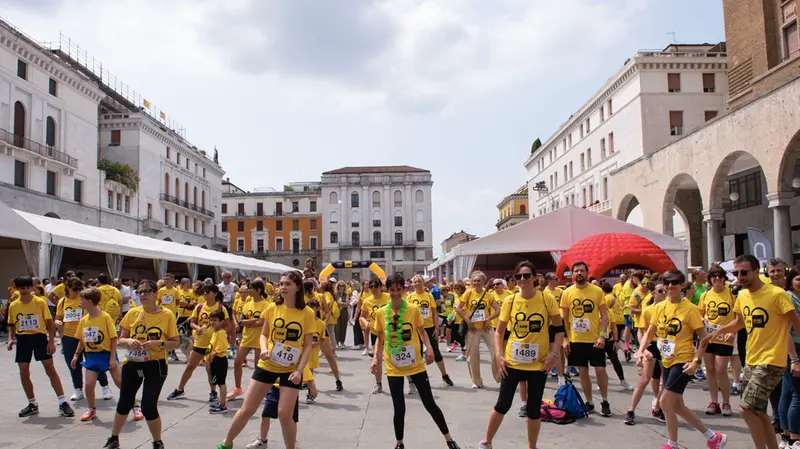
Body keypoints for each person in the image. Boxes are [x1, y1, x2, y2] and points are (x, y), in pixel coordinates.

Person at [706, 254, 800, 449]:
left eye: (744, 272)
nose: (740, 277)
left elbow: (797, 326)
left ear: (757, 271)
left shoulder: (777, 294)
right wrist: (720, 331)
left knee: (746, 409)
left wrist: (795, 359)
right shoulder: (742, 296)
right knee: (757, 411)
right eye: (736, 273)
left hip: (772, 360)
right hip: (752, 359)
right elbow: (740, 322)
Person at [218, 271, 314, 449]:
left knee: (285, 415)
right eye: (282, 284)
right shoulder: (272, 308)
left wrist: (300, 371)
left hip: (290, 369)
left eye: (288, 284)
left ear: (298, 287)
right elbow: (264, 335)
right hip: (267, 364)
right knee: (247, 409)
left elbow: (308, 345)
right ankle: (226, 443)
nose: (283, 287)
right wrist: (263, 349)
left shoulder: (307, 313)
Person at [372, 273, 462, 449]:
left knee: (430, 403)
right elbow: (380, 338)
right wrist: (376, 358)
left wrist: (429, 348)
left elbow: (422, 332)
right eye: (392, 290)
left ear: (404, 290)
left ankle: (449, 440)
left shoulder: (413, 309)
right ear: (387, 290)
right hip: (393, 366)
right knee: (399, 407)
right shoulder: (381, 313)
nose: (395, 293)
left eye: (399, 289)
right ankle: (399, 444)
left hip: (415, 364)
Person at [638, 270, 726, 449]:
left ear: (682, 285)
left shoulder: (690, 309)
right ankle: (712, 437)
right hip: (667, 360)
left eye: (675, 282)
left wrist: (696, 361)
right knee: (677, 405)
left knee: (664, 402)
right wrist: (640, 350)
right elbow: (650, 331)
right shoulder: (660, 307)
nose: (670, 286)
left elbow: (703, 338)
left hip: (684, 361)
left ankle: (672, 444)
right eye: (667, 283)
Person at [479, 261, 563, 449]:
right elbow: (500, 331)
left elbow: (559, 330)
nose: (522, 279)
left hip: (538, 364)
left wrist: (554, 355)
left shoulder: (546, 299)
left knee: (533, 410)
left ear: (535, 278)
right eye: (518, 276)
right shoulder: (510, 301)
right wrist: (498, 355)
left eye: (526, 275)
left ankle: (532, 446)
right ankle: (487, 442)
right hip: (512, 363)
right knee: (502, 405)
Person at [103, 279, 179, 449]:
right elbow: (121, 339)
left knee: (148, 405)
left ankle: (157, 441)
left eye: (147, 291)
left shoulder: (167, 315)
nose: (143, 295)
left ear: (156, 294)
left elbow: (175, 343)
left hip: (155, 363)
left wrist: (159, 343)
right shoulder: (132, 313)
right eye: (140, 292)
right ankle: (114, 438)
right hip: (133, 362)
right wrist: (129, 341)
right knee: (125, 401)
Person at [8, 276, 74, 418]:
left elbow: (50, 323)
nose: (25, 291)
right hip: (23, 339)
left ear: (31, 287)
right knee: (24, 372)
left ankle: (62, 402)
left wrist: (51, 341)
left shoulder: (40, 302)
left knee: (50, 369)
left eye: (28, 288)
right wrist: (10, 339)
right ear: (17, 289)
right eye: (22, 288)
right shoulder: (13, 305)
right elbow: (11, 324)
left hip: (39, 337)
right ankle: (32, 403)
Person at [560, 261, 612, 416]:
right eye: (576, 271)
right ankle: (589, 402)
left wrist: (602, 335)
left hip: (595, 339)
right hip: (576, 339)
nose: (579, 273)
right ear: (572, 274)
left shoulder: (597, 291)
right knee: (583, 372)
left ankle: (605, 400)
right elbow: (564, 319)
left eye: (581, 271)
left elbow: (604, 316)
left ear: (587, 273)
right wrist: (565, 339)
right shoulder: (567, 293)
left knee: (600, 370)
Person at [168, 284, 232, 402]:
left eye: (208, 292)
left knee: (210, 369)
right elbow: (192, 322)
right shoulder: (199, 307)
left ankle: (213, 392)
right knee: (190, 366)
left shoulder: (221, 308)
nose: (205, 294)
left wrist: (222, 336)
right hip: (199, 342)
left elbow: (228, 325)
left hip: (213, 345)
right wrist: (197, 328)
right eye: (204, 292)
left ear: (215, 294)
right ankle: (180, 389)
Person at [55, 277, 114, 403]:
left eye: (79, 288)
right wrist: (58, 323)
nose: (77, 292)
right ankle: (78, 388)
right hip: (69, 336)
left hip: (88, 335)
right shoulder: (62, 302)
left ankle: (105, 386)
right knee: (73, 363)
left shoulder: (85, 299)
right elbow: (58, 317)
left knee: (95, 361)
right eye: (74, 289)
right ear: (67, 288)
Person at [71, 287, 122, 421]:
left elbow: (114, 338)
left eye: (82, 300)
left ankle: (135, 406)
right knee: (89, 385)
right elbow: (82, 339)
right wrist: (76, 354)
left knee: (119, 382)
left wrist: (112, 358)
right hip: (92, 355)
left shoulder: (105, 317)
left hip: (107, 354)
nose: (80, 302)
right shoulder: (84, 320)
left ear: (89, 301)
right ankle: (91, 409)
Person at [624, 276, 666, 425]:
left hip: (666, 346)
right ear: (653, 293)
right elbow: (641, 332)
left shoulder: (670, 308)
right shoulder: (648, 310)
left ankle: (658, 408)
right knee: (644, 379)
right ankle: (631, 410)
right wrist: (643, 349)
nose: (664, 293)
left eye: (665, 291)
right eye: (660, 291)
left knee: (666, 381)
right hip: (652, 345)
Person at [699, 265, 736, 417]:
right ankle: (714, 401)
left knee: (721, 370)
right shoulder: (706, 295)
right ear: (710, 279)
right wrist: (702, 320)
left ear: (724, 278)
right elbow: (700, 313)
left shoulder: (731, 294)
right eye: (714, 276)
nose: (717, 279)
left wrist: (732, 331)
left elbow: (738, 315)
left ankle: (726, 401)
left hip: (725, 337)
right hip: (709, 336)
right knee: (709, 369)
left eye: (720, 276)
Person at [456, 271, 501, 389]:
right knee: (473, 355)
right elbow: (458, 308)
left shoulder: (489, 295)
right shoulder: (468, 293)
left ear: (483, 282)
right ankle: (476, 381)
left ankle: (499, 377)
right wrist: (468, 321)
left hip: (486, 327)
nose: (476, 283)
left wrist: (488, 319)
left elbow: (498, 310)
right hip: (473, 329)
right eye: (474, 281)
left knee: (496, 351)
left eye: (479, 281)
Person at [229, 279, 271, 400]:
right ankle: (237, 388)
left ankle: (260, 390)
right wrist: (254, 320)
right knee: (237, 361)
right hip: (247, 337)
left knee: (259, 366)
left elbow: (262, 322)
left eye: (251, 289)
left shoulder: (266, 305)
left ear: (258, 290)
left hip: (260, 338)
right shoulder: (247, 304)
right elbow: (242, 321)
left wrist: (249, 322)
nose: (249, 291)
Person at [409, 275, 454, 387]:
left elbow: (434, 313)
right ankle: (418, 378)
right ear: (413, 284)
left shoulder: (429, 296)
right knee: (417, 353)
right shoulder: (410, 297)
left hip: (429, 327)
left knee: (435, 351)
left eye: (419, 281)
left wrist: (437, 327)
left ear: (423, 283)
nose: (417, 283)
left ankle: (444, 375)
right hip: (415, 328)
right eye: (415, 282)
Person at [779, 269, 800, 448]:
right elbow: (785, 331)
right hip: (793, 349)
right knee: (797, 395)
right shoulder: (788, 298)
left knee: (787, 392)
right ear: (791, 281)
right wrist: (794, 359)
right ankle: (794, 438)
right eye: (799, 279)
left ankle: (786, 435)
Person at [361, 278, 391, 393]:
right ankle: (378, 384)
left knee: (395, 356)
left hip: (390, 332)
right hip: (376, 333)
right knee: (377, 358)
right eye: (371, 286)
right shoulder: (367, 301)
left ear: (381, 287)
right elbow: (362, 316)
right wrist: (365, 323)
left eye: (375, 286)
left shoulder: (388, 297)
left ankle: (411, 382)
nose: (373, 288)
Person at [601, 281, 631, 390]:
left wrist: (615, 340)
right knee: (600, 364)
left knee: (615, 360)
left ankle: (623, 380)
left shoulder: (609, 311)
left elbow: (613, 327)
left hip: (609, 338)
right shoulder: (594, 312)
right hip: (597, 339)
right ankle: (602, 382)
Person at [208, 309, 230, 414]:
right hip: (215, 361)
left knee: (221, 383)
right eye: (211, 320)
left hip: (219, 360)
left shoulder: (221, 333)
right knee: (218, 382)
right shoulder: (215, 332)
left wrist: (215, 353)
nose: (212, 322)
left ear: (221, 322)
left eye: (215, 320)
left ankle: (223, 405)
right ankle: (221, 402)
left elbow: (223, 346)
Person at [334, 280, 350, 349]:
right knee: (336, 327)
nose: (341, 287)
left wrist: (340, 303)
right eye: (340, 285)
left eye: (343, 286)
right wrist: (342, 303)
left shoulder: (346, 294)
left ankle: (342, 342)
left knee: (343, 327)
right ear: (337, 286)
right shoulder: (335, 294)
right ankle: (336, 342)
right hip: (336, 312)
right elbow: (335, 302)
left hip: (344, 312)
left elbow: (347, 304)